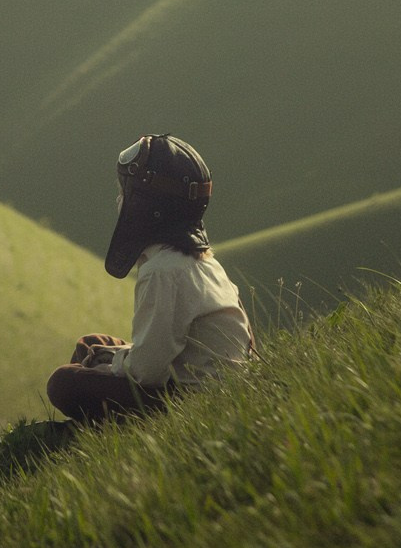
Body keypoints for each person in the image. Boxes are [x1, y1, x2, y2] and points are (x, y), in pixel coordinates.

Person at [46, 134, 255, 424]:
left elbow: (146, 372)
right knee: (92, 344)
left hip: (192, 401)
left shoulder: (163, 272)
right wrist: (108, 355)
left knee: (63, 382)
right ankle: (97, 421)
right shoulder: (203, 261)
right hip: (211, 385)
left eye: (125, 194)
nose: (119, 202)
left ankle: (95, 429)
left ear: (147, 207)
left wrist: (104, 361)